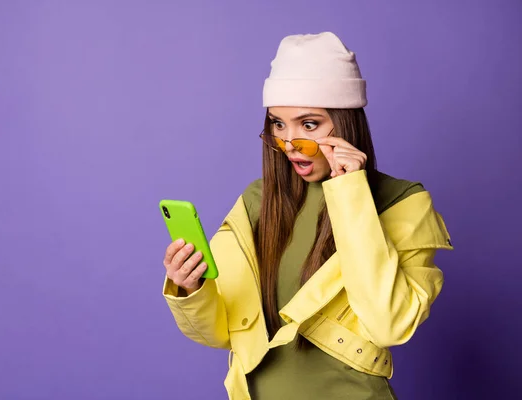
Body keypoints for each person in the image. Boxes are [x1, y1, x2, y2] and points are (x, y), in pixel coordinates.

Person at [161, 31, 453, 400]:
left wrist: (350, 192)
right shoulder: (258, 199)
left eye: (309, 124)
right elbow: (221, 332)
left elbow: (389, 325)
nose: (288, 144)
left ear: (345, 123)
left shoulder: (401, 202)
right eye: (278, 125)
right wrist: (190, 287)